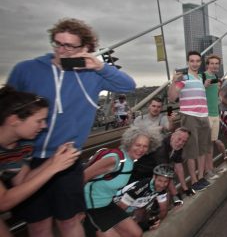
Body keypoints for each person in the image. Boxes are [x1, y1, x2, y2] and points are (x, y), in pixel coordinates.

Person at [7, 17, 136, 237]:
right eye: (58, 43)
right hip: (29, 158)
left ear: (85, 48)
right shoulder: (27, 69)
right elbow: (7, 109)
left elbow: (127, 85)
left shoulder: (91, 75)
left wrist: (99, 66)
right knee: (38, 224)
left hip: (68, 158)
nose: (62, 50)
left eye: (70, 46)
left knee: (70, 221)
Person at [0, 87, 80, 237]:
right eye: (39, 120)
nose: (44, 126)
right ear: (13, 120)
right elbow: (3, 202)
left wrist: (53, 160)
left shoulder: (22, 145)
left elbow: (22, 182)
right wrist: (54, 168)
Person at [83, 126, 161, 237]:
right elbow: (82, 177)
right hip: (91, 208)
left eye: (145, 146)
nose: (141, 149)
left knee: (136, 233)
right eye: (138, 145)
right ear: (129, 143)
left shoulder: (132, 161)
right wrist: (77, 210)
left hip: (107, 204)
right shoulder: (115, 160)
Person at [168, 51, 211, 192]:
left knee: (203, 149)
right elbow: (172, 98)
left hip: (204, 116)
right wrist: (174, 82)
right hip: (189, 116)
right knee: (192, 151)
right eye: (192, 61)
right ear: (188, 62)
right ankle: (193, 180)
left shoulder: (199, 78)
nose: (195, 63)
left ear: (200, 63)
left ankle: (201, 177)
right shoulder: (184, 78)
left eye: (198, 61)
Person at [128, 127, 190, 204]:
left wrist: (185, 188)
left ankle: (156, 205)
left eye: (184, 141)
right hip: (139, 177)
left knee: (164, 186)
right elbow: (165, 174)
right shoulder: (161, 148)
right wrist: (176, 195)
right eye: (179, 139)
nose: (181, 143)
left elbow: (179, 166)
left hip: (153, 175)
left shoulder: (177, 145)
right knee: (164, 187)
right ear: (173, 136)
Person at [114, 164, 175, 231]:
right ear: (154, 177)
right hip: (116, 205)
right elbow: (119, 210)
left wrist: (157, 220)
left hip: (133, 206)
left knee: (143, 210)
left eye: (166, 181)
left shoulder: (161, 189)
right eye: (160, 180)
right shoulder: (141, 187)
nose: (162, 185)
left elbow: (164, 210)